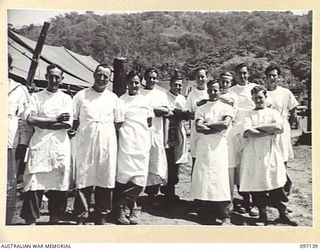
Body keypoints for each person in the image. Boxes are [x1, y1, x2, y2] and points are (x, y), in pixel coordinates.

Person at [20, 64, 72, 225]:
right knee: (34, 182)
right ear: (46, 77)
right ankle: (31, 223)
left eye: (57, 77)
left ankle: (54, 222)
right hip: (40, 145)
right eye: (51, 76)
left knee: (59, 185)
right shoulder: (36, 97)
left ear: (62, 79)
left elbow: (66, 124)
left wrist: (42, 122)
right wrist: (55, 119)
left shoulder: (66, 99)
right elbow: (30, 119)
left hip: (59, 146)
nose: (54, 80)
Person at [72, 64, 124, 225]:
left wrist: (103, 132)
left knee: (105, 176)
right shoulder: (81, 96)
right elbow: (74, 120)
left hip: (106, 142)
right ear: (94, 75)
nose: (102, 79)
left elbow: (118, 123)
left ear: (109, 79)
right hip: (86, 141)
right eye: (99, 75)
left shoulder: (114, 98)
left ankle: (102, 214)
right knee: (84, 176)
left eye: (105, 76)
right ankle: (82, 214)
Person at [239, 85, 297, 226]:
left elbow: (278, 128)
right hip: (253, 154)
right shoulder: (247, 114)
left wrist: (258, 128)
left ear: (265, 97)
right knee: (257, 185)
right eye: (255, 98)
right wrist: (267, 130)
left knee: (276, 184)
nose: (258, 100)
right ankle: (262, 215)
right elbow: (248, 132)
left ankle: (283, 214)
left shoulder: (273, 113)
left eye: (260, 97)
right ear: (252, 98)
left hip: (271, 153)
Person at [190, 80, 233, 226]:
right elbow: (199, 128)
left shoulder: (226, 107)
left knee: (220, 179)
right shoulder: (201, 108)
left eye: (215, 90)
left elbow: (225, 124)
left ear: (220, 90)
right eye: (210, 90)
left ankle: (225, 213)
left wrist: (207, 125)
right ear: (207, 91)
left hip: (219, 148)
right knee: (205, 179)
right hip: (204, 148)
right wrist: (215, 127)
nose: (213, 93)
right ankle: (207, 211)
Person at [114, 70, 154, 225]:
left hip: (142, 143)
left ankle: (120, 206)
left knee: (140, 178)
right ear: (127, 84)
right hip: (126, 143)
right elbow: (118, 123)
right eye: (131, 82)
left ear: (140, 83)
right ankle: (124, 211)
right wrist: (126, 136)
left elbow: (149, 122)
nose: (134, 85)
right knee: (124, 177)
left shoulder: (146, 101)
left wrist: (142, 136)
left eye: (137, 82)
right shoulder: (121, 101)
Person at [264, 65, 299, 195]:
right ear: (265, 78)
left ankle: (284, 189)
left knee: (282, 158)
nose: (272, 78)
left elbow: (293, 111)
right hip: (267, 129)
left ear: (278, 77)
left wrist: (287, 126)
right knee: (269, 158)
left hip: (282, 128)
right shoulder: (263, 93)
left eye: (274, 75)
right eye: (269, 76)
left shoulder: (285, 92)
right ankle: (272, 189)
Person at [228, 63, 258, 216]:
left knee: (251, 167)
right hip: (235, 134)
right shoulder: (231, 91)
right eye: (240, 73)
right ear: (235, 74)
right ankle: (241, 200)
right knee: (238, 168)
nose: (243, 76)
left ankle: (253, 202)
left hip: (252, 132)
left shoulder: (255, 88)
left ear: (249, 74)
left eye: (245, 73)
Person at [7, 54, 32, 225]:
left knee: (9, 185)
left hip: (10, 145)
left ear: (9, 68)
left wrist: (23, 145)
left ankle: (6, 221)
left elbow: (24, 121)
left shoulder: (18, 90)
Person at [140, 67, 170, 206]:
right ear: (144, 78)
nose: (151, 80)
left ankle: (153, 195)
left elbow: (166, 110)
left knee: (156, 161)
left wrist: (149, 108)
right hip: (140, 133)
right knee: (141, 161)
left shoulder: (161, 94)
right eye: (149, 77)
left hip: (156, 132)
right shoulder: (139, 92)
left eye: (154, 78)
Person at [161, 71, 189, 201]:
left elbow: (185, 114)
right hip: (168, 131)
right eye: (175, 85)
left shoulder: (182, 98)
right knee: (168, 160)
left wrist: (180, 114)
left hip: (178, 131)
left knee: (177, 161)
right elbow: (167, 112)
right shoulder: (164, 96)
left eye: (179, 86)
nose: (177, 88)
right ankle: (167, 191)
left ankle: (172, 188)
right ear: (170, 85)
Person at [218, 72, 239, 204]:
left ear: (231, 83)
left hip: (229, 134)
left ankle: (229, 201)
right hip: (216, 136)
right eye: (222, 81)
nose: (224, 84)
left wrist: (218, 97)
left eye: (227, 82)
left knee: (229, 168)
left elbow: (232, 106)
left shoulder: (233, 96)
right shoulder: (212, 93)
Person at [185, 67, 209, 172]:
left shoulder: (211, 91)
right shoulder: (192, 94)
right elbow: (187, 113)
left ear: (206, 78)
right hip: (197, 132)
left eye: (202, 76)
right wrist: (198, 116)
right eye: (198, 77)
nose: (200, 79)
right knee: (196, 162)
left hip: (210, 131)